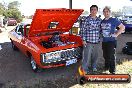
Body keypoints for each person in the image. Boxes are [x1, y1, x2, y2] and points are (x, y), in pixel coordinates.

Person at [101, 6, 125, 74]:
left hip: (111, 41)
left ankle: (112, 71)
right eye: (104, 12)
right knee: (105, 55)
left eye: (107, 11)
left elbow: (122, 27)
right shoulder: (102, 21)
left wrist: (116, 34)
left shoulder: (114, 20)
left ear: (110, 12)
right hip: (104, 41)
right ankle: (106, 66)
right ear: (103, 13)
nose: (106, 13)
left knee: (111, 56)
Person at [79, 5, 102, 74]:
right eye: (92, 9)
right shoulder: (86, 19)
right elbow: (82, 30)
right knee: (86, 56)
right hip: (88, 42)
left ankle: (94, 66)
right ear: (90, 11)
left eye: (95, 9)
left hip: (97, 41)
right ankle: (85, 69)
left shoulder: (99, 20)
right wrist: (83, 40)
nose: (93, 11)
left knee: (95, 56)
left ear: (97, 11)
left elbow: (101, 30)